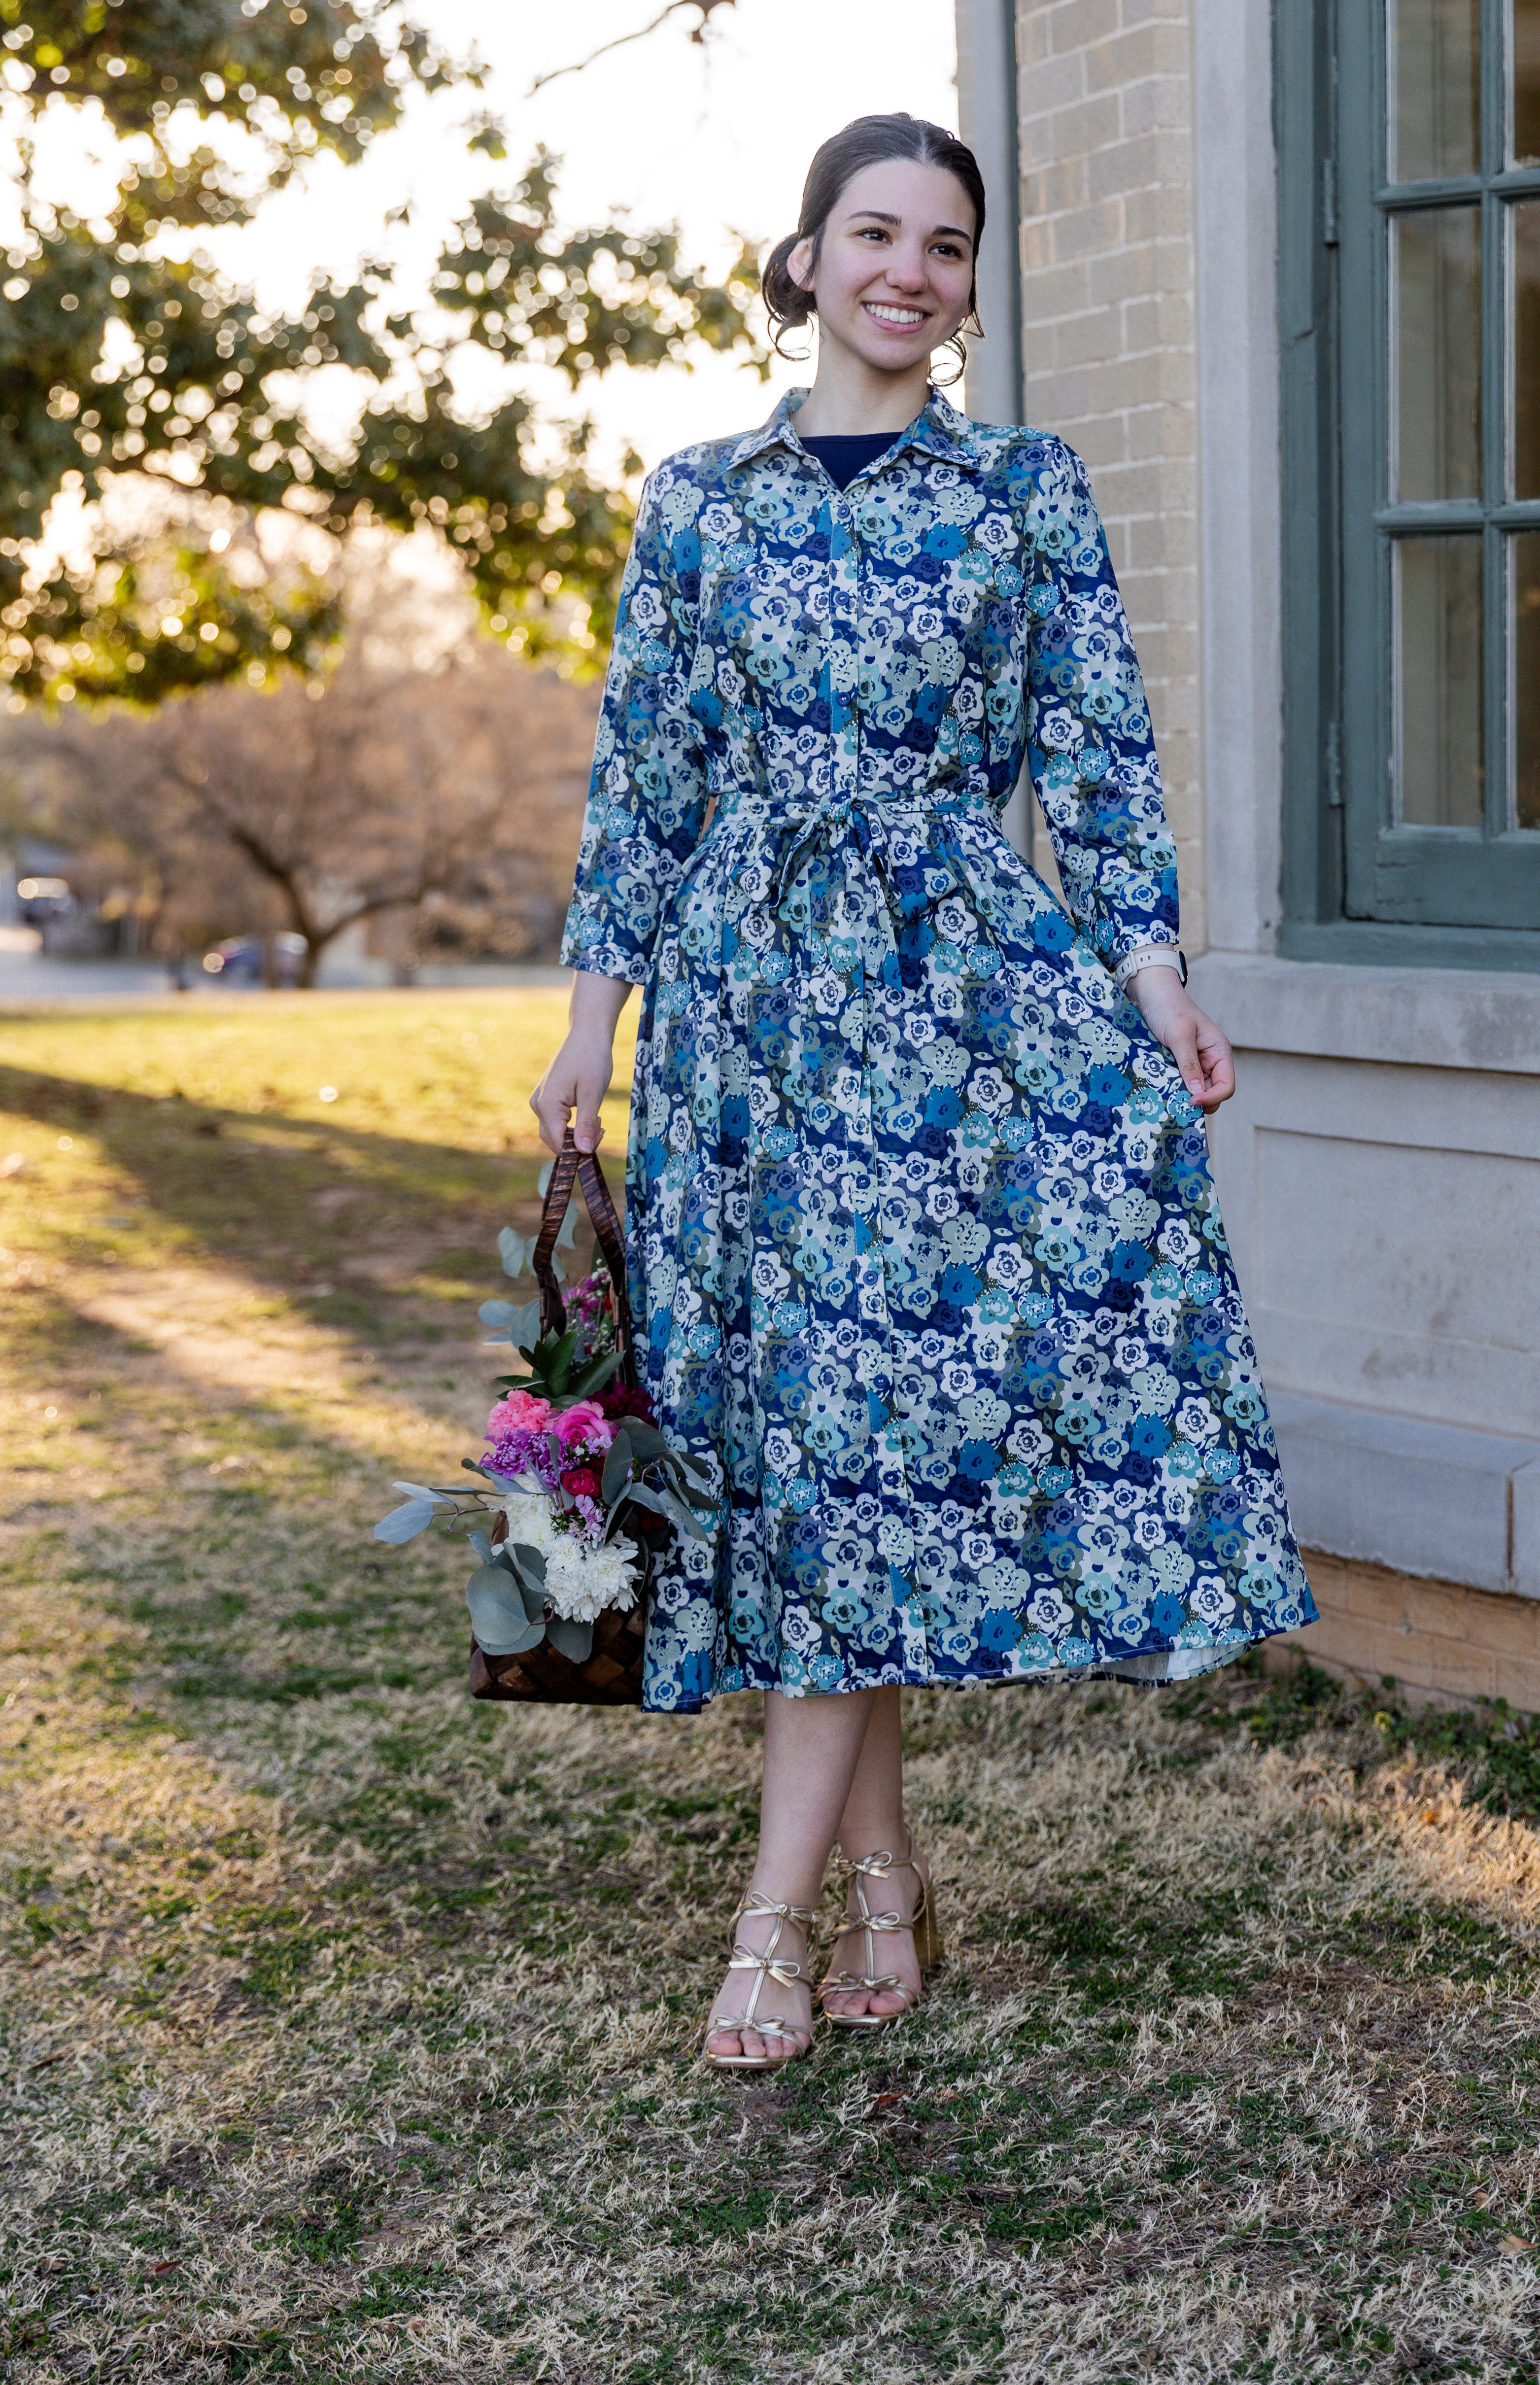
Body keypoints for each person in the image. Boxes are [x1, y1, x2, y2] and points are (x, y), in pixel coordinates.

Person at [530, 111, 1317, 2068]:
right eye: (872, 232)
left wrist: (1157, 984)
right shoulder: (699, 501)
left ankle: (774, 1926)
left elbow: (1100, 757)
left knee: (866, 1465)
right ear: (801, 260)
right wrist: (585, 1018)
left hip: (961, 1022)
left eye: (947, 245)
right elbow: (645, 781)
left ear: (970, 288)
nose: (908, 269)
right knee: (802, 1472)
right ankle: (880, 1883)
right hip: (744, 1033)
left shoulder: (1025, 494)